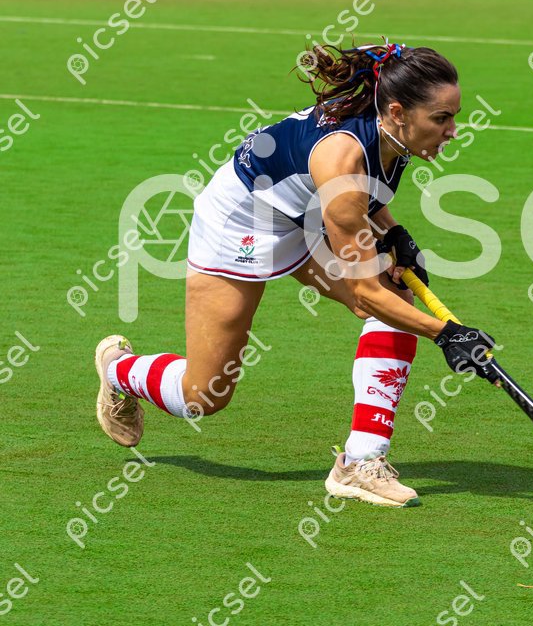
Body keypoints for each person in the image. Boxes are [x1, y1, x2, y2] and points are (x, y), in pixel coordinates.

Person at [94, 42, 496, 508]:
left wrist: (393, 231)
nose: (452, 131)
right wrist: (447, 334)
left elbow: (365, 194)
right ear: (398, 112)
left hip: (305, 216)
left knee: (397, 300)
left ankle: (361, 461)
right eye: (442, 118)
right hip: (241, 223)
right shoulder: (343, 161)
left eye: (454, 116)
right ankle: (118, 370)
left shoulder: (396, 135)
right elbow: (364, 289)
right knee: (204, 396)